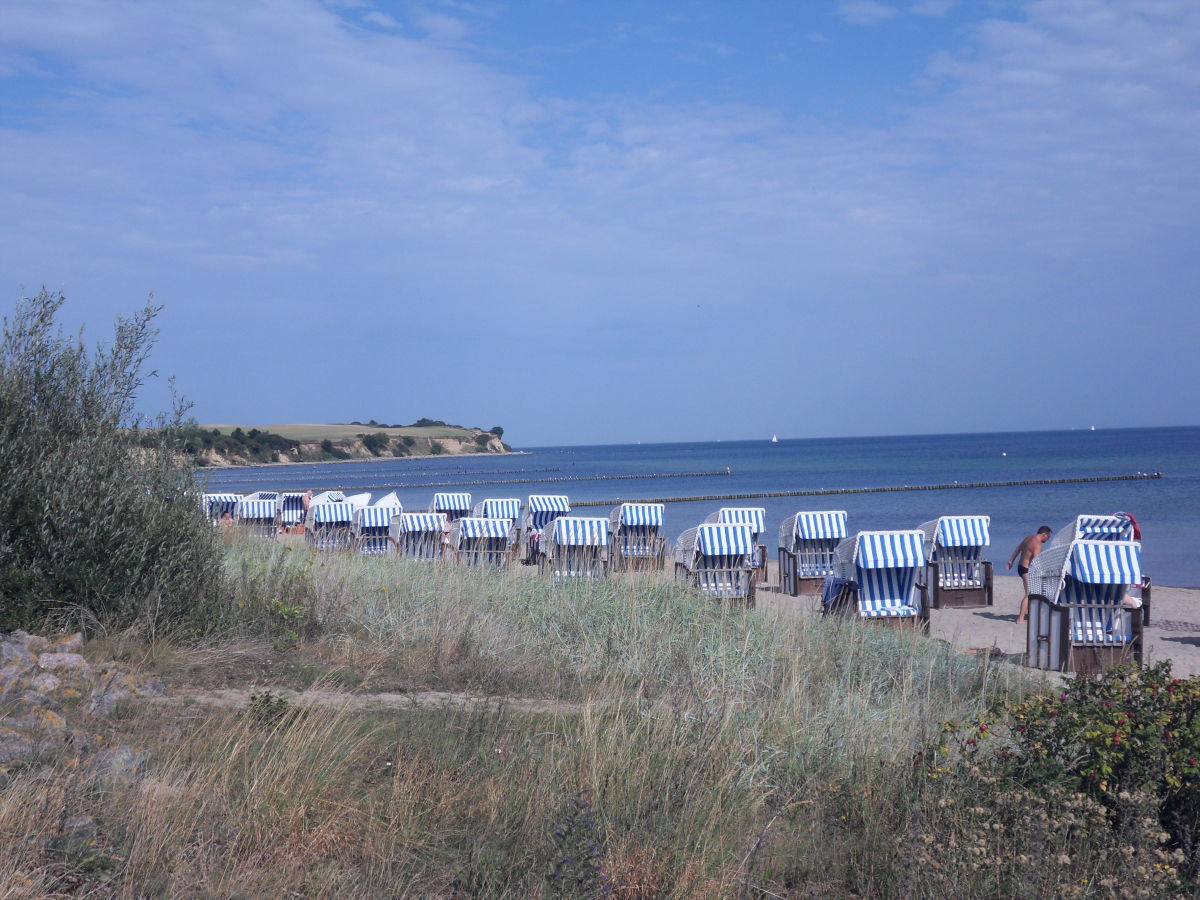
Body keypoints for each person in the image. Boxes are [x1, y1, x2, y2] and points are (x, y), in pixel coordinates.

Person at [1007, 525, 1052, 624]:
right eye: (1048, 537)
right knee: (1029, 594)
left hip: (1020, 567)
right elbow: (1036, 561)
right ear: (1044, 534)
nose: (1048, 539)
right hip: (1027, 570)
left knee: (1032, 592)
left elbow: (1018, 548)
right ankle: (1020, 619)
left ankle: (1031, 614)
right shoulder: (1038, 544)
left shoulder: (1028, 538)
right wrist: (1043, 572)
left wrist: (1011, 561)